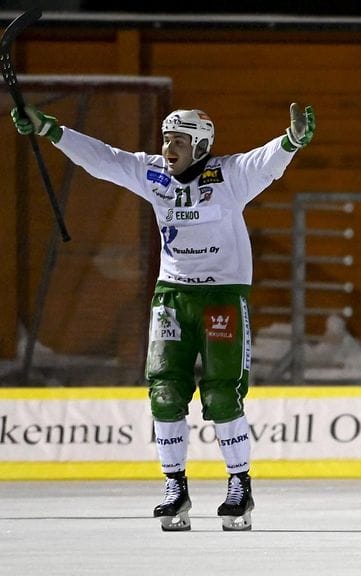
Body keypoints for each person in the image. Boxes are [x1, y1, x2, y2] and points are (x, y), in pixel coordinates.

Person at [11, 102, 316, 532]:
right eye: (166, 138)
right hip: (171, 297)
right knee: (165, 393)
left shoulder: (229, 176)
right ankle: (175, 487)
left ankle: (239, 484)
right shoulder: (153, 174)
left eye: (179, 140)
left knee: (222, 395)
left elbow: (265, 162)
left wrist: (292, 141)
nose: (168, 147)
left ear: (202, 145)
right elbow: (104, 160)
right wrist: (50, 129)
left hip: (222, 297)